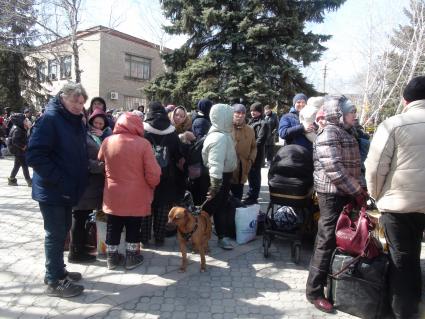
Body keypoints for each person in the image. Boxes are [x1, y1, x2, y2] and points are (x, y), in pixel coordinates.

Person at [365, 76, 425, 319]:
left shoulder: (394, 124)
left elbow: (375, 167)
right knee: (414, 255)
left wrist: (376, 194)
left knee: (402, 259)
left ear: (404, 100)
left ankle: (403, 311)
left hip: (398, 206)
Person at [26, 82, 89, 298]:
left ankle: (57, 270)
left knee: (62, 231)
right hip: (53, 189)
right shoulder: (50, 120)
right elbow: (34, 155)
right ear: (63, 97)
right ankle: (54, 281)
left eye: (81, 102)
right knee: (55, 234)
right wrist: (60, 180)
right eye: (74, 100)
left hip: (66, 189)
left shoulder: (76, 121)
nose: (79, 105)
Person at [305, 95, 367, 313]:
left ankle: (332, 282)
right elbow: (334, 169)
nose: (354, 116)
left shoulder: (346, 131)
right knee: (327, 239)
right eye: (351, 113)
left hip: (345, 192)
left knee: (342, 238)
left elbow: (354, 166)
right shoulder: (329, 132)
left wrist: (361, 188)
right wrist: (356, 190)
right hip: (331, 194)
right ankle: (313, 291)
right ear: (339, 114)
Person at [99, 112, 161, 269]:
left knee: (113, 224)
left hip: (113, 193)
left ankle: (111, 258)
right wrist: (153, 184)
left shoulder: (107, 141)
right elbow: (153, 173)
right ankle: (131, 257)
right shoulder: (143, 144)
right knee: (134, 225)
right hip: (136, 194)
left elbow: (100, 158)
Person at [68, 108, 112, 264]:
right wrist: (101, 166)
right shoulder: (81, 136)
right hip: (84, 184)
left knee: (83, 217)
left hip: (93, 186)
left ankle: (80, 249)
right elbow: (82, 161)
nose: (98, 125)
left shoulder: (95, 135)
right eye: (95, 122)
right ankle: (75, 253)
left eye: (101, 123)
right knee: (79, 217)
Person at [141, 101, 184, 246]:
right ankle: (159, 238)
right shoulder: (172, 132)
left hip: (146, 175)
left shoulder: (143, 130)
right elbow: (178, 155)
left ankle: (144, 238)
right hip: (167, 175)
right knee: (162, 207)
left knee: (147, 206)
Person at [202, 103, 237, 250]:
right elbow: (215, 164)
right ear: (223, 118)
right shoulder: (219, 138)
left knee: (220, 207)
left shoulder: (222, 134)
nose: (233, 120)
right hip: (217, 178)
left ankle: (220, 236)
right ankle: (200, 239)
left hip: (223, 177)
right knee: (209, 210)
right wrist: (215, 185)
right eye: (230, 117)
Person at [243, 102, 269, 205]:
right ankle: (251, 194)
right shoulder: (250, 121)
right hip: (248, 152)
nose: (253, 112)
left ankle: (253, 196)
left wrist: (249, 147)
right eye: (252, 110)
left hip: (257, 154)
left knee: (255, 175)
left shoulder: (264, 123)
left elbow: (260, 140)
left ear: (260, 111)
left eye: (255, 110)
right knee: (250, 175)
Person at [230, 104, 257, 200]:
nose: (240, 115)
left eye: (243, 113)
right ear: (232, 114)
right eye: (237, 113)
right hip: (227, 171)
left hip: (242, 170)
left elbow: (254, 147)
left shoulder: (250, 130)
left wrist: (250, 160)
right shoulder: (226, 128)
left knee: (237, 199)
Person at [7, 113, 32, 186]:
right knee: (24, 165)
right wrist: (23, 146)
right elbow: (15, 141)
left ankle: (11, 179)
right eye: (24, 120)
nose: (26, 121)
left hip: (17, 150)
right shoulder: (18, 129)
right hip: (18, 150)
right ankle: (29, 181)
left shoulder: (19, 127)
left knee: (17, 165)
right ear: (19, 121)